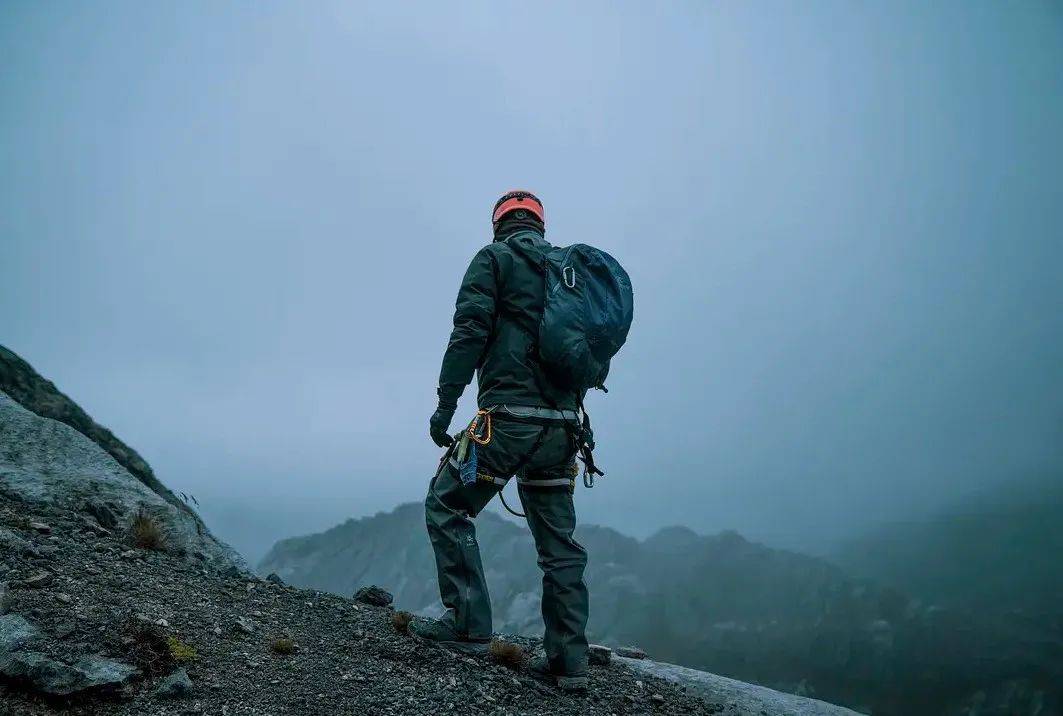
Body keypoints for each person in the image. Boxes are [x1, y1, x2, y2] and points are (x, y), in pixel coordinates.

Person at [413, 190, 591, 692]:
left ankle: (469, 626)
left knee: (447, 503)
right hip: (563, 429)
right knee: (560, 547)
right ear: (539, 223)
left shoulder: (494, 260)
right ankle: (569, 664)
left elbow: (469, 330)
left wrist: (446, 403)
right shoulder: (568, 273)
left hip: (506, 422)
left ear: (499, 224)